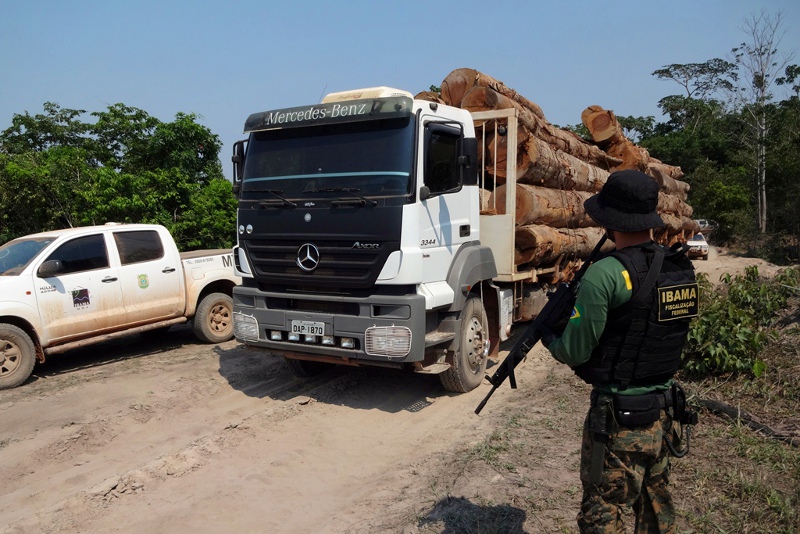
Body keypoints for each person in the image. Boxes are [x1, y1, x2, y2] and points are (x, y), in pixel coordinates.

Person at [540, 169, 699, 533]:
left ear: (610, 220)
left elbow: (574, 352)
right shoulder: (679, 267)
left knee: (603, 511)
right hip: (664, 413)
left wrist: (550, 338)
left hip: (618, 421)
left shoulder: (606, 273)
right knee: (656, 506)